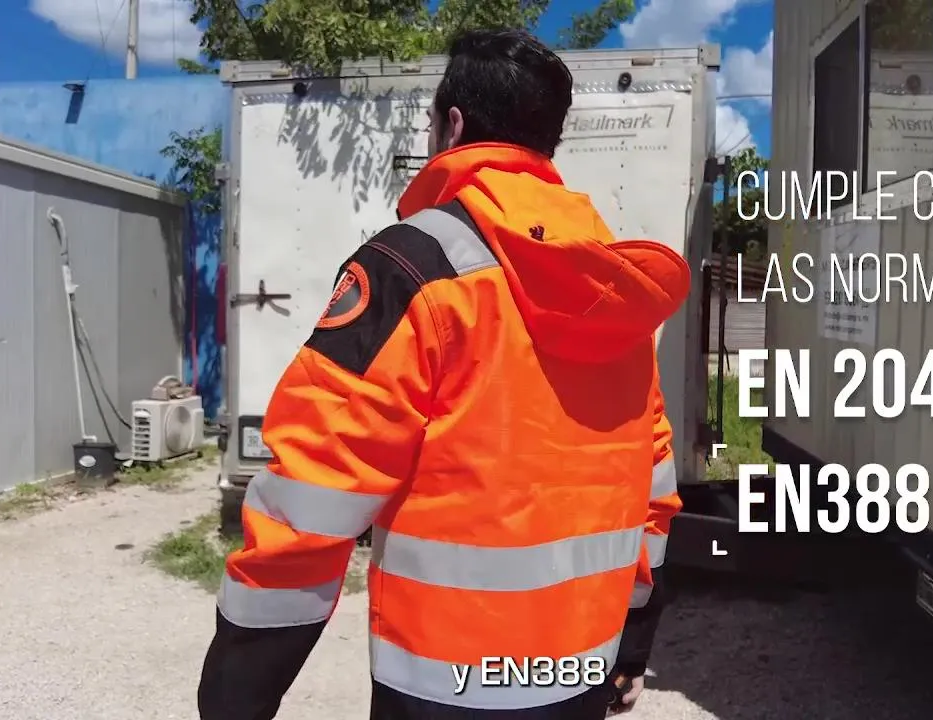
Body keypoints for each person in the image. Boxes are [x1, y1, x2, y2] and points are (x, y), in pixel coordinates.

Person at [197, 28, 689, 720]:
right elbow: (653, 487)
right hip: (581, 672)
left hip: (442, 686)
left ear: (452, 126)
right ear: (547, 142)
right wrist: (632, 646)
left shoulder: (413, 267)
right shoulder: (610, 282)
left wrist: (237, 695)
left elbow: (314, 495)